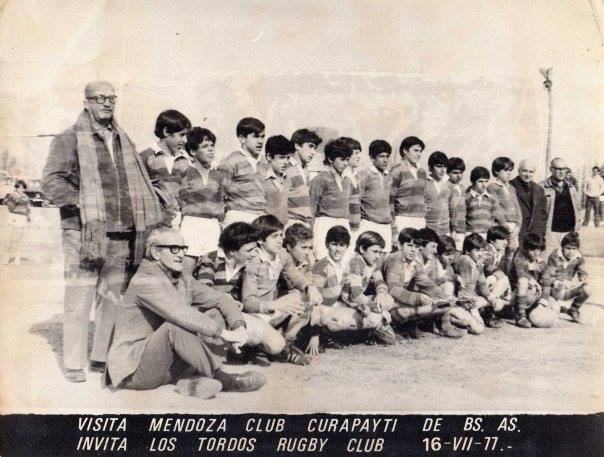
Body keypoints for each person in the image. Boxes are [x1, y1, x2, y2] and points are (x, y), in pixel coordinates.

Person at [42, 81, 163, 383]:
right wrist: (81, 203)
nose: (107, 103)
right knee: (79, 297)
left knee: (112, 298)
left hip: (122, 233)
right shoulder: (68, 139)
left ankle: (99, 357)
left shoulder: (124, 140)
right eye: (100, 98)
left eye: (112, 98)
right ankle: (72, 362)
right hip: (83, 233)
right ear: (86, 103)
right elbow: (51, 183)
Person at [106, 227, 266, 398]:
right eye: (174, 248)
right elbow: (180, 313)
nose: (181, 254)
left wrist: (238, 327)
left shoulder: (183, 278)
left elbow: (221, 299)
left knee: (214, 312)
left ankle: (192, 381)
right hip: (135, 370)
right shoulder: (144, 280)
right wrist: (225, 334)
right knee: (174, 328)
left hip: (164, 364)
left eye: (183, 248)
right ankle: (226, 380)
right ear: (155, 253)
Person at [192, 222, 287, 357]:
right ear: (232, 251)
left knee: (276, 344)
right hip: (209, 312)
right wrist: (227, 299)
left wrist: (237, 301)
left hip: (233, 314)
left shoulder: (246, 263)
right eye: (249, 250)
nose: (254, 253)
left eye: (255, 249)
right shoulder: (211, 259)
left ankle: (242, 348)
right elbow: (204, 290)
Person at [241, 215, 323, 363]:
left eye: (281, 235)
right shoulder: (253, 262)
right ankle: (256, 347)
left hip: (272, 314)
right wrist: (275, 305)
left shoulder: (282, 256)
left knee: (304, 297)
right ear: (260, 239)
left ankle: (287, 345)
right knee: (273, 346)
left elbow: (294, 275)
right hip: (255, 315)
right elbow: (247, 302)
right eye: (274, 236)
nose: (280, 240)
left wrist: (309, 286)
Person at [310, 227, 397, 351]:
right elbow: (314, 302)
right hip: (324, 310)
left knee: (379, 309)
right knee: (340, 321)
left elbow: (379, 282)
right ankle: (324, 335)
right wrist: (314, 335)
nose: (338, 249)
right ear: (326, 244)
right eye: (334, 244)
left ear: (347, 246)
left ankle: (361, 334)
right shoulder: (322, 266)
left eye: (342, 245)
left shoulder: (343, 263)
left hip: (340, 305)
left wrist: (380, 294)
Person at [178, 127, 224, 273]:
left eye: (212, 146)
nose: (210, 150)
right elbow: (179, 200)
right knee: (186, 272)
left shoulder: (218, 176)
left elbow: (221, 203)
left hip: (212, 226)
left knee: (208, 271)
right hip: (191, 224)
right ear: (192, 151)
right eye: (204, 146)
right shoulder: (186, 172)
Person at [139, 110, 192, 227]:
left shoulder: (184, 161)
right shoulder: (144, 157)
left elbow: (187, 194)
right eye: (182, 135)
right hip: (152, 223)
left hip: (178, 223)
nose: (185, 140)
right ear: (166, 131)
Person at [309, 137, 354, 259]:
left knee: (344, 262)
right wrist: (310, 236)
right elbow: (311, 209)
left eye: (347, 160)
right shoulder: (320, 179)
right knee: (323, 260)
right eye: (342, 159)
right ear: (330, 159)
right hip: (324, 224)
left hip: (343, 224)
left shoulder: (347, 181)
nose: (345, 163)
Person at [217, 117, 268, 226]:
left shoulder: (265, 163)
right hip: (238, 217)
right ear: (242, 138)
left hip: (261, 219)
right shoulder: (229, 162)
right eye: (255, 136)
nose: (260, 141)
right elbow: (220, 194)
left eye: (262, 137)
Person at [357, 139, 395, 253]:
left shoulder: (389, 177)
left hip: (386, 226)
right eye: (381, 156)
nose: (385, 160)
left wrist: (394, 228)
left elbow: (390, 204)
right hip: (368, 224)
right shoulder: (364, 175)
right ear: (372, 157)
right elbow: (355, 200)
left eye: (387, 156)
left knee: (383, 261)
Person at [509, 233, 553, 328]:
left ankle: (530, 312)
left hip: (535, 294)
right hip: (516, 292)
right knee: (524, 281)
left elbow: (547, 284)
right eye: (532, 249)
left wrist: (543, 301)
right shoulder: (519, 257)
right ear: (526, 248)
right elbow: (519, 273)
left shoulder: (542, 263)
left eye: (538, 249)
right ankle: (520, 316)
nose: (536, 253)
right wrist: (532, 280)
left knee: (555, 308)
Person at [545, 231, 590, 323]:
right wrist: (556, 283)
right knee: (554, 312)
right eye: (568, 248)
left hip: (567, 289)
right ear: (562, 247)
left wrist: (583, 278)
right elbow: (549, 275)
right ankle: (560, 308)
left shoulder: (579, 257)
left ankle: (574, 309)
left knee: (588, 289)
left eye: (574, 249)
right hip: (554, 290)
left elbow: (582, 271)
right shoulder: (554, 256)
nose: (571, 252)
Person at [541, 158, 581, 256]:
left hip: (568, 233)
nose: (562, 171)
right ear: (551, 169)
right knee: (548, 262)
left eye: (564, 169)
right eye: (558, 168)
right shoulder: (542, 187)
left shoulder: (571, 188)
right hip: (550, 234)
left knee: (566, 265)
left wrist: (577, 229)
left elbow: (578, 209)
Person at [390, 136, 427, 233]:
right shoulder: (396, 171)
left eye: (420, 151)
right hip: (402, 220)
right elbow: (390, 201)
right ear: (405, 151)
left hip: (420, 220)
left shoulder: (422, 172)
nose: (419, 154)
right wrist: (393, 227)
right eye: (415, 151)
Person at [287, 129, 322, 227]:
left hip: (304, 223)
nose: (313, 152)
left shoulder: (305, 170)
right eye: (310, 146)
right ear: (297, 146)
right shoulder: (286, 167)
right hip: (290, 222)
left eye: (314, 148)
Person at [509, 159, 547, 245]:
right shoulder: (510, 186)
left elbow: (543, 215)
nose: (527, 174)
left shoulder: (539, 189)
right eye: (524, 171)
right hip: (517, 233)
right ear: (518, 171)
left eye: (531, 172)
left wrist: (541, 236)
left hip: (534, 235)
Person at [487, 157, 523, 248]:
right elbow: (496, 208)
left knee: (511, 251)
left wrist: (518, 227)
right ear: (496, 171)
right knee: (500, 250)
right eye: (505, 170)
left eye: (510, 170)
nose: (509, 173)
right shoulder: (492, 187)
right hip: (501, 225)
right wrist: (504, 225)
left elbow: (517, 208)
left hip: (514, 226)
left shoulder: (511, 188)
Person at [465, 166, 504, 239]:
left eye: (486, 181)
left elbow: (499, 216)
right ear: (473, 182)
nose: (484, 185)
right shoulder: (467, 197)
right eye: (480, 181)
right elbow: (462, 218)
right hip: (471, 235)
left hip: (487, 235)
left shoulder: (491, 199)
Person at [263, 135, 293, 226]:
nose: (286, 162)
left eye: (288, 158)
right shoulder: (260, 178)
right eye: (281, 157)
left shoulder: (288, 180)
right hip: (265, 229)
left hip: (283, 229)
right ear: (269, 156)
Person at [3, 179, 31, 265]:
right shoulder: (12, 196)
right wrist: (15, 198)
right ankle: (6, 257)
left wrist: (29, 219)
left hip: (22, 219)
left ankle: (17, 257)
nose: (21, 189)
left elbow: (28, 209)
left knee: (19, 240)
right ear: (16, 188)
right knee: (10, 239)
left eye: (23, 188)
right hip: (13, 218)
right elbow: (10, 208)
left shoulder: (26, 197)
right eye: (19, 188)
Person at [424, 151, 451, 237]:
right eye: (439, 166)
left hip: (445, 230)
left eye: (445, 167)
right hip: (428, 229)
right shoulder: (424, 183)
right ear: (430, 167)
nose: (442, 170)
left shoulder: (448, 184)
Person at [342, 137, 363, 236]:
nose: (359, 157)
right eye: (356, 153)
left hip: (356, 228)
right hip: (345, 228)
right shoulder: (343, 176)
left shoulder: (356, 175)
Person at [447, 157, 467, 250]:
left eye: (461, 172)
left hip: (462, 228)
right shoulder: (447, 187)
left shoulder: (463, 188)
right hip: (451, 229)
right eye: (455, 173)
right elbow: (452, 210)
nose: (459, 176)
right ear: (448, 173)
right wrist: (452, 230)